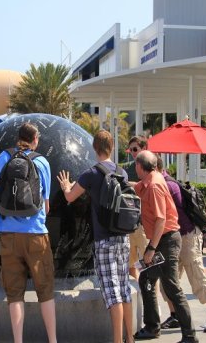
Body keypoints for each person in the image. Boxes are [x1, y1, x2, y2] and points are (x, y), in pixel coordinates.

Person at [0, 123, 57, 343]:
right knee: (45, 289)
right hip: (36, 235)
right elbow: (46, 206)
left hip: (7, 234)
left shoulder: (4, 157)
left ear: (18, 138)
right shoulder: (42, 162)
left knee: (14, 294)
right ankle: (52, 340)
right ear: (35, 140)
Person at [57, 129, 134, 343]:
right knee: (124, 288)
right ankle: (130, 338)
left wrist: (65, 186)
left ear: (94, 148)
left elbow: (71, 197)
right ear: (111, 148)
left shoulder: (91, 173)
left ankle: (118, 340)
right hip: (123, 238)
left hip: (105, 241)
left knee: (112, 293)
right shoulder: (122, 172)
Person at [133, 150, 198, 343]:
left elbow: (161, 219)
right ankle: (152, 327)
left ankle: (190, 335)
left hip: (165, 241)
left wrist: (151, 249)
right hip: (161, 240)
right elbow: (134, 187)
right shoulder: (149, 181)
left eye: (135, 164)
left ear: (139, 166)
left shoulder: (154, 186)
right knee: (146, 279)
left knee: (171, 287)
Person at [156, 156, 206, 333]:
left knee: (197, 277)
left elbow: (161, 215)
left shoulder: (166, 185)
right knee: (168, 281)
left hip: (187, 237)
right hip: (175, 237)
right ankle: (175, 316)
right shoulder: (160, 182)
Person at [123, 136, 149, 281]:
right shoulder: (127, 168)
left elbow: (148, 187)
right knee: (130, 263)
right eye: (130, 149)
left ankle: (154, 302)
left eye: (135, 149)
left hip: (145, 223)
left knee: (149, 265)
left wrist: (129, 184)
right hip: (130, 222)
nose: (132, 152)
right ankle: (138, 291)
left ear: (144, 149)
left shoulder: (151, 168)